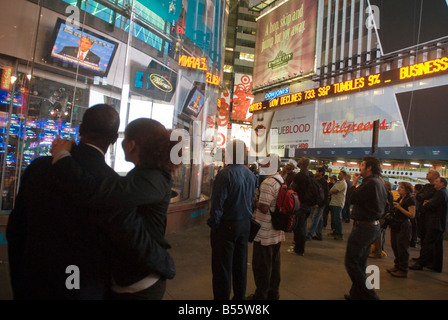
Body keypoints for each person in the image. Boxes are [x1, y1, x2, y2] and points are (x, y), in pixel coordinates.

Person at [6, 104, 174, 299]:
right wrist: (164, 263)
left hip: (32, 282)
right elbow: (129, 240)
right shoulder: (114, 184)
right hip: (83, 287)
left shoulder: (38, 168)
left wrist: (20, 279)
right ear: (113, 139)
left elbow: (16, 230)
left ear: (80, 129)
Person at [50, 118, 179, 299]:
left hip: (142, 279)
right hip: (133, 273)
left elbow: (98, 194)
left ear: (131, 145)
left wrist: (62, 157)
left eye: (124, 138)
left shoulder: (152, 179)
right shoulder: (145, 174)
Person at [208, 139, 256, 300]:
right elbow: (251, 200)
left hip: (226, 225)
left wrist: (214, 225)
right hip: (245, 224)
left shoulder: (224, 174)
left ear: (229, 153)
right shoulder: (250, 174)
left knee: (222, 267)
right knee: (240, 264)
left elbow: (217, 204)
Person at [344, 156, 389, 300]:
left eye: (362, 165)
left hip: (364, 228)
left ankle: (371, 296)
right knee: (361, 262)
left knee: (351, 263)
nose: (360, 167)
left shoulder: (370, 183)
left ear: (369, 168)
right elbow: (388, 205)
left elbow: (352, 198)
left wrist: (354, 183)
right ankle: (356, 295)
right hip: (372, 227)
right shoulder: (380, 182)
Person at [247, 154, 284, 300]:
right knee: (274, 265)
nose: (262, 166)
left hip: (265, 232)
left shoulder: (268, 183)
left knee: (262, 266)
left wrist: (255, 200)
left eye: (265, 164)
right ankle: (273, 293)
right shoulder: (280, 180)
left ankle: (260, 295)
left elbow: (263, 207)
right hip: (276, 231)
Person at [410, 177, 448, 273]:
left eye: (437, 181)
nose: (434, 183)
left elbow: (431, 205)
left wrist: (425, 204)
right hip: (439, 223)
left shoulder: (440, 193)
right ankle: (436, 266)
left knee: (427, 244)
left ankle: (420, 264)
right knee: (437, 246)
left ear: (442, 183)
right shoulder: (444, 192)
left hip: (435, 223)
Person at [385, 182, 416, 278]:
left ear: (407, 189)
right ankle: (397, 265)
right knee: (395, 246)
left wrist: (400, 207)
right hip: (396, 225)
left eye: (401, 187)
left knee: (402, 248)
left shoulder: (410, 200)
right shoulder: (401, 198)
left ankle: (403, 269)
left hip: (404, 225)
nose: (399, 189)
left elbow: (412, 215)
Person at [289, 157, 314, 255]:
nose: (298, 162)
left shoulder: (300, 175)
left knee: (299, 227)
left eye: (300, 161)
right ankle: (299, 248)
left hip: (300, 203)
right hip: (307, 204)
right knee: (302, 226)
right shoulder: (310, 174)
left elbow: (292, 186)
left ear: (303, 163)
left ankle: (299, 249)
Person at [414, 170, 439, 259]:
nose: (427, 173)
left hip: (430, 216)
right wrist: (422, 196)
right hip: (422, 214)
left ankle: (426, 259)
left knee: (428, 238)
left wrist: (422, 196)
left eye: (430, 173)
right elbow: (418, 196)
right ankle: (422, 257)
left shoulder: (436, 189)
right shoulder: (426, 186)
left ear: (436, 176)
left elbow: (422, 196)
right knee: (422, 236)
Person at [307, 167, 328, 241]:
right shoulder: (316, 181)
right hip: (316, 203)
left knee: (315, 219)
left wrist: (320, 204)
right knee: (318, 220)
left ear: (321, 173)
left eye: (318, 171)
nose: (316, 172)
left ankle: (309, 235)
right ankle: (319, 235)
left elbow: (324, 194)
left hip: (319, 204)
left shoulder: (323, 182)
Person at [328, 170, 347, 240]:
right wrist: (331, 191)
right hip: (333, 202)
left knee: (337, 219)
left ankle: (339, 234)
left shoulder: (343, 183)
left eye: (341, 174)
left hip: (338, 203)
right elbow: (331, 190)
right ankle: (335, 232)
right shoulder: (338, 182)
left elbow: (335, 191)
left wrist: (331, 191)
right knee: (333, 219)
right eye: (339, 174)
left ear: (344, 176)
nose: (339, 175)